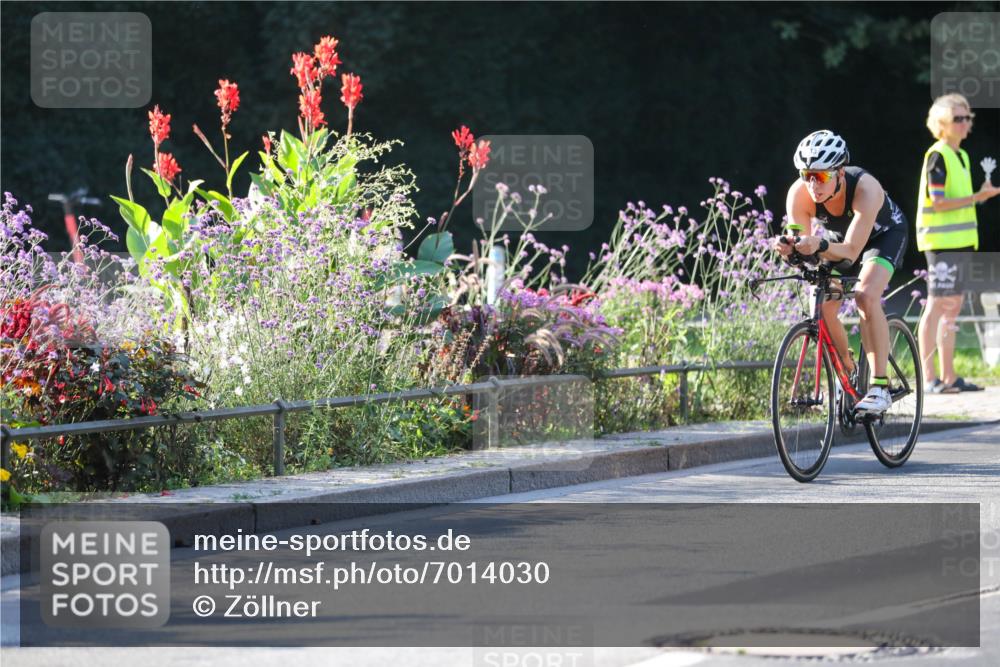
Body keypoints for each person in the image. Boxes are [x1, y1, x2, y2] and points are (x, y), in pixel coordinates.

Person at [772, 130, 909, 415]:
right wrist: (791, 250)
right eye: (806, 174)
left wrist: (818, 245)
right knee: (822, 306)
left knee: (865, 295)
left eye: (821, 176)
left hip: (883, 236)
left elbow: (850, 251)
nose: (812, 184)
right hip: (840, 240)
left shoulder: (865, 189)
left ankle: (880, 386)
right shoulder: (799, 194)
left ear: (840, 172)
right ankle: (847, 370)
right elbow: (802, 243)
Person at [915, 93, 999, 393]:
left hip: (961, 243)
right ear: (942, 124)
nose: (966, 124)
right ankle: (929, 378)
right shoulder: (937, 155)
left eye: (968, 118)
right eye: (959, 119)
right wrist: (978, 197)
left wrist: (979, 194)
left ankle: (949, 377)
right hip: (941, 244)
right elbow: (938, 203)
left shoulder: (961, 155)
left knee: (953, 308)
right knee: (938, 306)